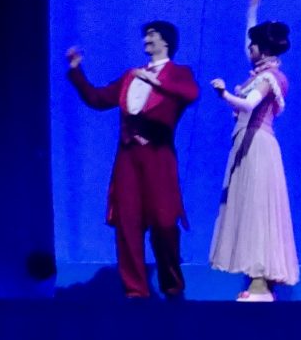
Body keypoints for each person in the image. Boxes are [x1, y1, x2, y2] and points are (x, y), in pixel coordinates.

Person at [65, 21, 201, 298]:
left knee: (164, 223)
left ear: (166, 41)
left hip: (158, 157)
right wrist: (77, 71)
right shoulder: (131, 75)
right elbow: (98, 98)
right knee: (128, 223)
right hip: (128, 158)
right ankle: (135, 290)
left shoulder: (179, 73)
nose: (146, 39)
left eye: (152, 35)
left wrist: (156, 83)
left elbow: (190, 94)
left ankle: (172, 286)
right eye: (145, 35)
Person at [208, 0, 299, 300]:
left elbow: (248, 104)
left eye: (253, 46)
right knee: (249, 209)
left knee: (259, 210)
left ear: (263, 49)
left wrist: (223, 94)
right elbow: (250, 39)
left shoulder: (271, 78)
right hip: (247, 145)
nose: (248, 49)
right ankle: (256, 281)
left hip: (258, 144)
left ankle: (261, 283)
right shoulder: (261, 73)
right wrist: (252, 11)